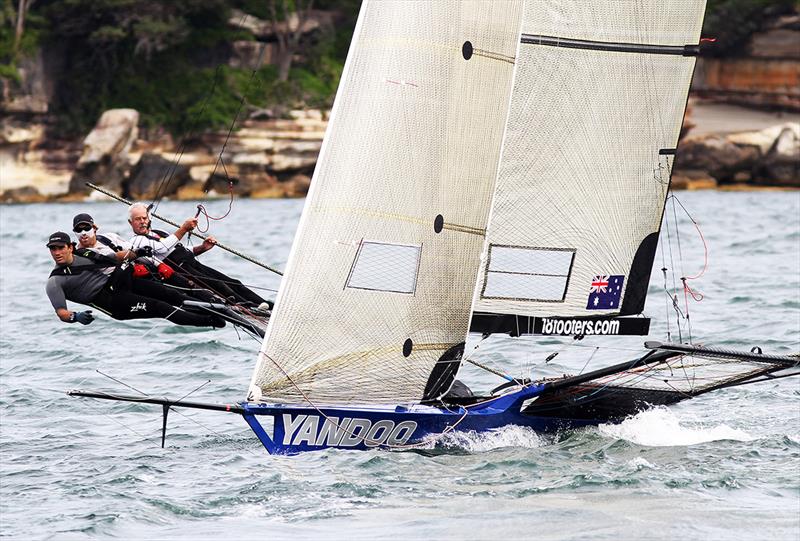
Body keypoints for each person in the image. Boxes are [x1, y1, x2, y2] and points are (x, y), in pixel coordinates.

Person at [45, 231, 225, 328]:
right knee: (162, 307)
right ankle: (211, 321)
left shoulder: (84, 253)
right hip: (114, 303)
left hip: (121, 284)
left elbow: (115, 257)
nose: (57, 252)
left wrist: (137, 253)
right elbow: (61, 313)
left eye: (60, 247)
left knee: (169, 293)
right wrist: (75, 317)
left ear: (70, 247)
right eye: (53, 249)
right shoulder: (55, 281)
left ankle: (216, 307)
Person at [127, 203, 272, 312]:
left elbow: (179, 248)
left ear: (149, 218)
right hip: (182, 271)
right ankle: (251, 308)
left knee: (234, 282)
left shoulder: (159, 232)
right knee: (221, 287)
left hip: (191, 262)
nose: (142, 221)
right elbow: (162, 248)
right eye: (137, 219)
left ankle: (266, 305)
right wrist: (183, 228)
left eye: (144, 218)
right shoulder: (136, 240)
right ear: (130, 223)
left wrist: (202, 248)